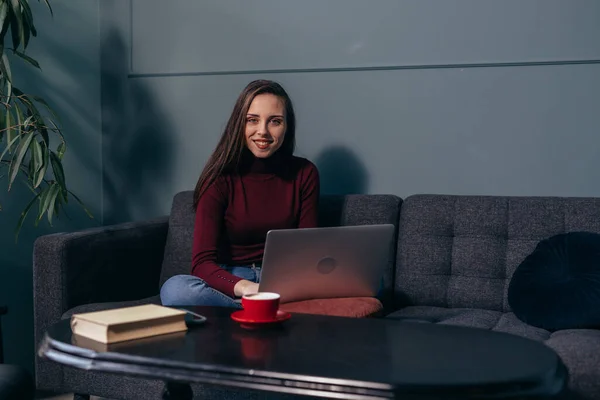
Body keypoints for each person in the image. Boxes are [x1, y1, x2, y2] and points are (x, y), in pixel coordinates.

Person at [160, 80, 320, 308]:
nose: (263, 131)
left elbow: (308, 251)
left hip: (282, 281)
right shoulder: (219, 178)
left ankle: (264, 307)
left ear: (287, 127)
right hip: (230, 282)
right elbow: (202, 265)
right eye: (252, 120)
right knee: (176, 290)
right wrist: (250, 288)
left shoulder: (305, 173)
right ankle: (258, 307)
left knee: (372, 283)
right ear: (239, 124)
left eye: (275, 121)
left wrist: (283, 285)